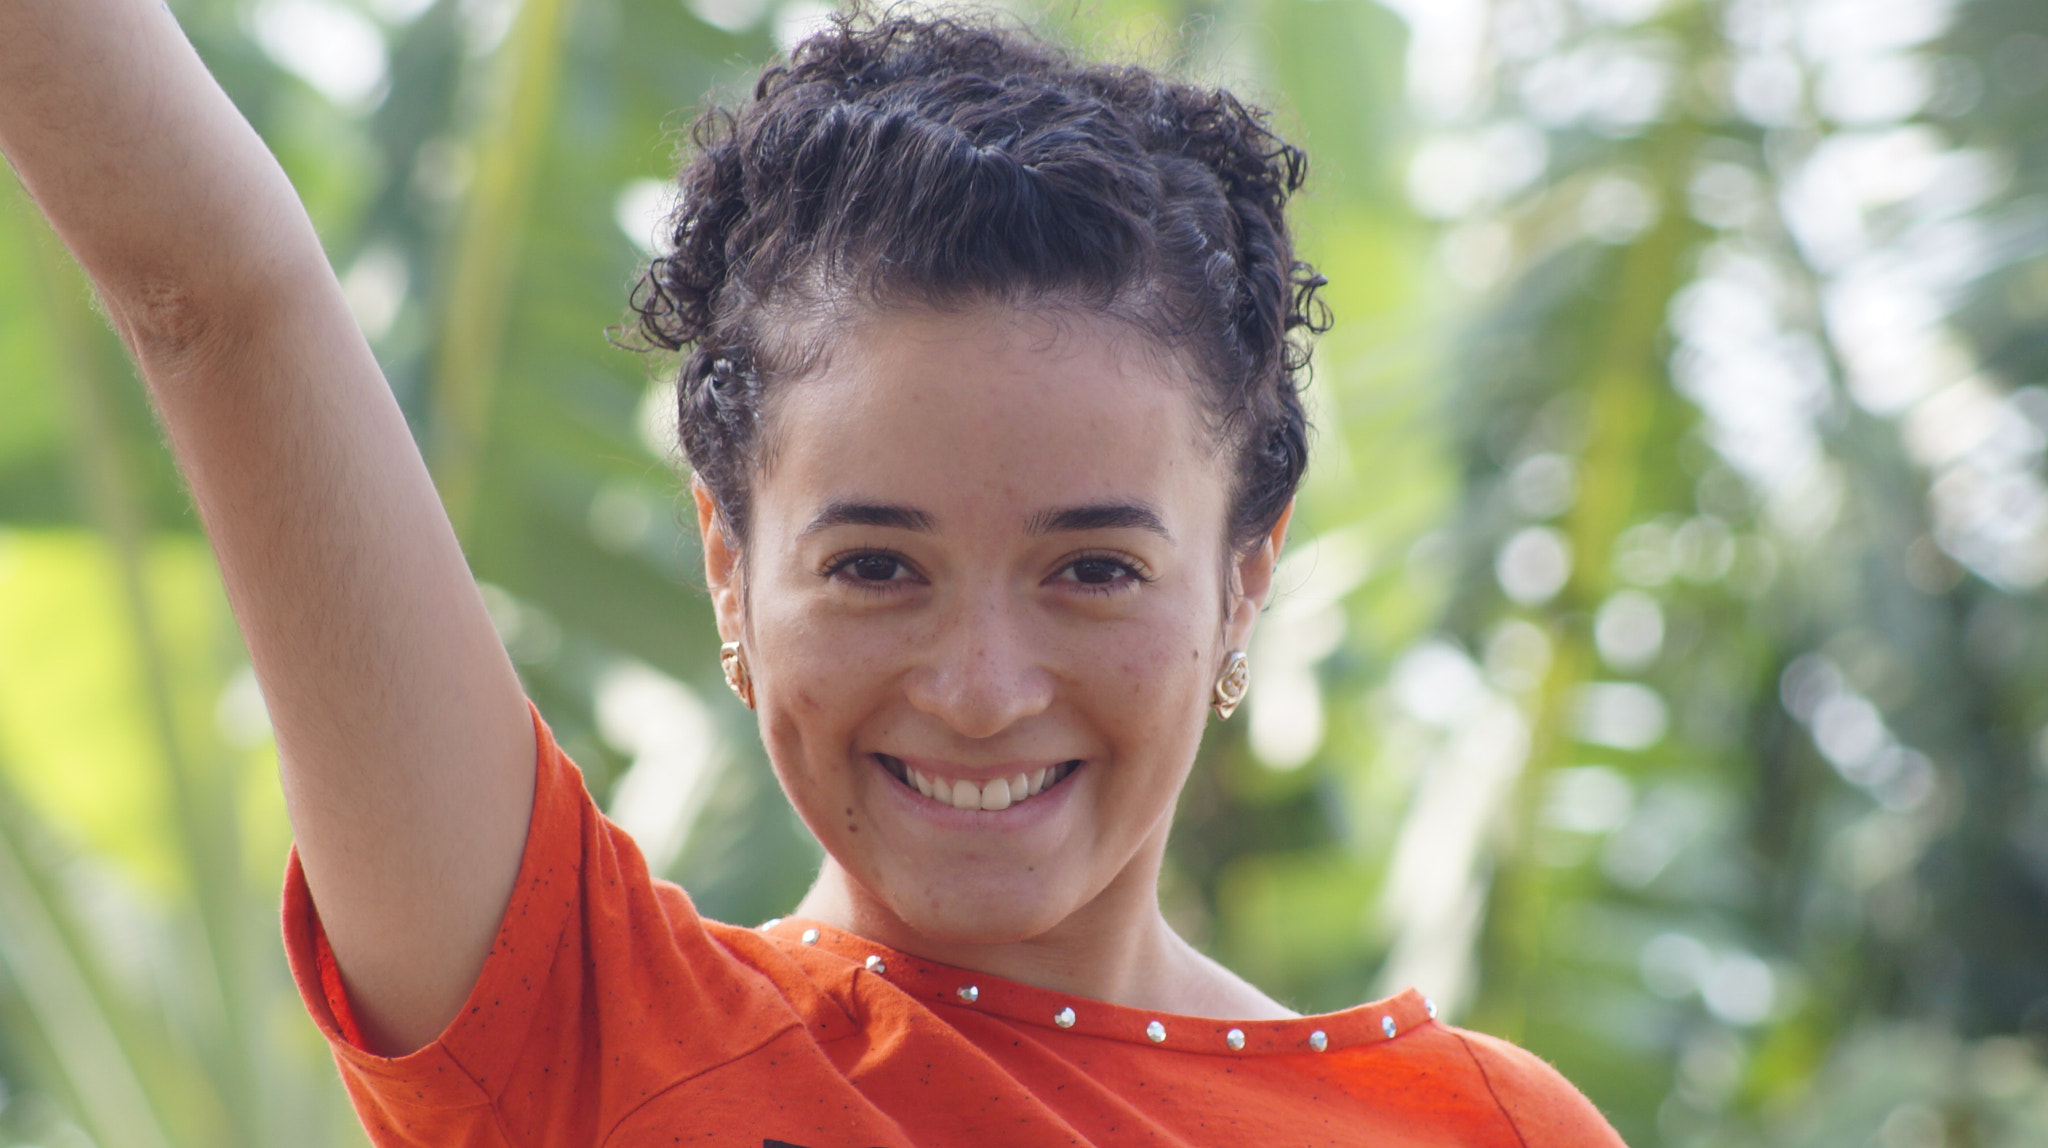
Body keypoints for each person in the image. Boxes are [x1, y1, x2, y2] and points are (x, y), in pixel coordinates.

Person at [0, 2, 1626, 1143]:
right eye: (874, 565)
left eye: (1093, 572)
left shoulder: (1484, 1132)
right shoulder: (583, 1039)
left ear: (1245, 579)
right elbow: (214, 296)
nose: (982, 689)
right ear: (729, 568)